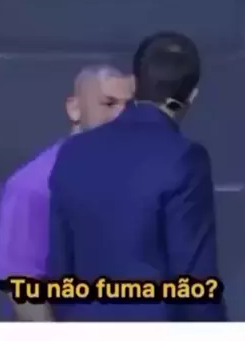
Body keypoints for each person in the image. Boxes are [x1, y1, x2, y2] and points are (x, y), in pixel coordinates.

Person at [47, 32, 227, 321]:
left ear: (134, 84)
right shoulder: (184, 158)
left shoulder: (73, 152)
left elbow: (59, 270)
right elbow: (194, 284)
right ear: (192, 96)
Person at [0, 64, 134, 321]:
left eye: (129, 107)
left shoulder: (144, 178)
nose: (122, 116)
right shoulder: (33, 185)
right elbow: (21, 284)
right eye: (108, 104)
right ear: (75, 108)